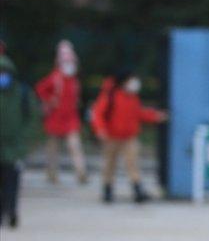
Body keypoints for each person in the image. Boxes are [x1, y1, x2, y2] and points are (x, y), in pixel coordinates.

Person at [90, 71, 167, 204]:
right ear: (124, 82)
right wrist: (100, 130)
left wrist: (155, 116)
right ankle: (107, 190)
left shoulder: (133, 97)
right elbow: (98, 113)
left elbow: (138, 113)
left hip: (129, 137)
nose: (135, 83)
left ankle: (138, 191)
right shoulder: (111, 96)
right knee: (110, 164)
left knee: (133, 163)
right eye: (132, 80)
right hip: (111, 137)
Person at [35, 40, 88, 184]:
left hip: (71, 118)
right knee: (53, 149)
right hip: (55, 118)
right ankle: (51, 173)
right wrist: (49, 100)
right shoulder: (55, 77)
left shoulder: (74, 80)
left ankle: (81, 172)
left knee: (75, 145)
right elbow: (40, 89)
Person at [0, 53, 38, 228]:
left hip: (14, 146)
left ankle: (12, 211)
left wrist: (24, 140)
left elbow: (32, 118)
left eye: (4, 72)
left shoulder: (21, 93)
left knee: (12, 182)